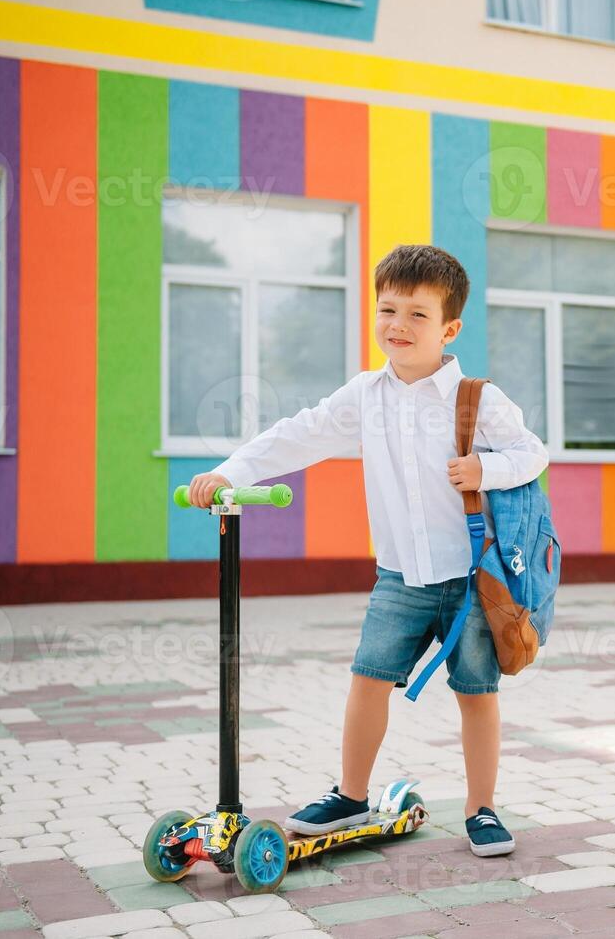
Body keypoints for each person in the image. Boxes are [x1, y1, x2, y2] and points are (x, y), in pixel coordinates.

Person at [187, 244, 548, 857]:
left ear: (449, 328)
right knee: (367, 680)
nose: (399, 326)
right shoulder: (366, 394)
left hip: (471, 581)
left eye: (417, 315)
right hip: (400, 579)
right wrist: (230, 471)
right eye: (388, 310)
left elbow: (533, 453)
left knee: (476, 692)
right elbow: (298, 435)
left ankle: (481, 809)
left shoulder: (477, 399)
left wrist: (483, 470)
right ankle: (351, 794)